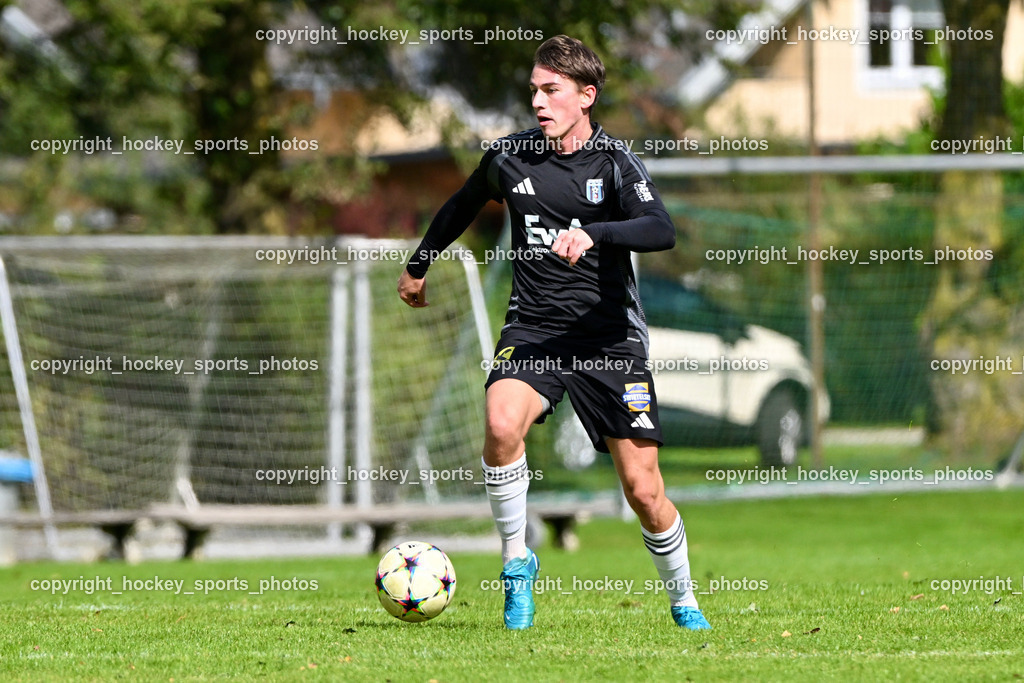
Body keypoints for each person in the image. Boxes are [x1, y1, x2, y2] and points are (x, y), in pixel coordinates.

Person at [397, 34, 711, 631]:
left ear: (585, 96)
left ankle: (683, 599)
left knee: (643, 492)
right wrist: (419, 263)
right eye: (534, 91)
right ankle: (517, 563)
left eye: (552, 91)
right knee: (498, 424)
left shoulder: (615, 163)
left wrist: (597, 233)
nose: (538, 102)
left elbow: (660, 229)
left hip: (610, 341)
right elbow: (463, 203)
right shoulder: (509, 156)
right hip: (534, 330)